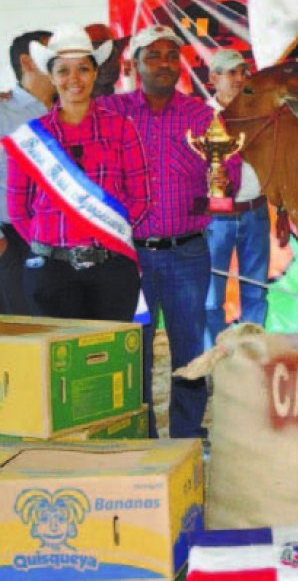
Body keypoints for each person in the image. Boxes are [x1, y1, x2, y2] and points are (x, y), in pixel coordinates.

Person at [100, 24, 239, 439]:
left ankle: (187, 435)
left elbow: (227, 179)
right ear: (135, 64)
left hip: (187, 254)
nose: (164, 63)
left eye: (171, 55)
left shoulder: (202, 116)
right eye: (153, 55)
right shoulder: (111, 111)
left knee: (189, 349)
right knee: (136, 349)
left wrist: (220, 182)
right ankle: (141, 435)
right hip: (130, 258)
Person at [5, 24, 149, 320]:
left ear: (95, 72)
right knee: (60, 351)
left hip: (111, 269)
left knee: (109, 349)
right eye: (63, 70)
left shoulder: (121, 128)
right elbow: (18, 208)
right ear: (51, 76)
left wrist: (107, 232)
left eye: (83, 68)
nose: (74, 79)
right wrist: (47, 242)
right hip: (51, 272)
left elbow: (141, 198)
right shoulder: (32, 137)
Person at [203, 49, 270, 348]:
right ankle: (213, 357)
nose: (240, 79)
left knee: (256, 291)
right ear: (213, 78)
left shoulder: (260, 115)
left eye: (243, 72)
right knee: (210, 297)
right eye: (232, 73)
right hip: (215, 217)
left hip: (256, 211)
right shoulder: (199, 118)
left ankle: (252, 355)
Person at [0, 30, 53, 315]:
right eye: (50, 52)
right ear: (27, 61)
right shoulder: (3, 113)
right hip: (14, 244)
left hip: (63, 240)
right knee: (25, 331)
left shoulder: (70, 109)